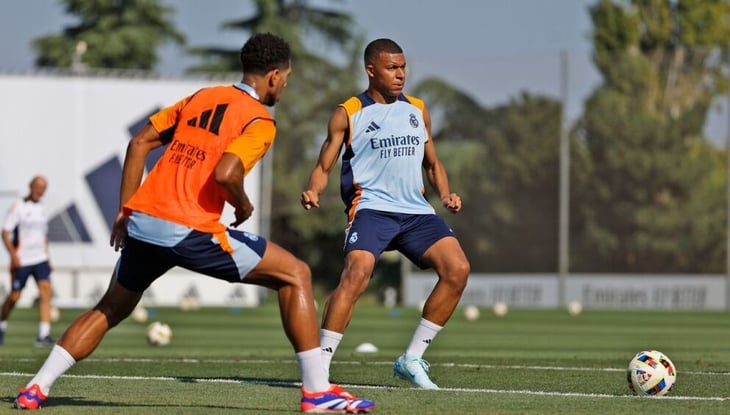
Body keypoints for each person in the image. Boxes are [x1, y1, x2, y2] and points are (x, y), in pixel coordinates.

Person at [14, 33, 374, 413]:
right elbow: (226, 172)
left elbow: (139, 143)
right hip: (188, 228)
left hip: (145, 223)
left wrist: (125, 210)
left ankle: (36, 388)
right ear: (272, 76)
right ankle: (317, 392)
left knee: (109, 309)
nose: (285, 84)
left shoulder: (202, 97)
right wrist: (243, 204)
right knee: (296, 274)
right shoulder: (259, 120)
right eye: (285, 77)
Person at [301, 38, 470, 390]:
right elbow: (324, 163)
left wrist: (446, 193)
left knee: (457, 269)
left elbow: (433, 163)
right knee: (357, 273)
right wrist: (314, 190)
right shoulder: (348, 112)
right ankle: (320, 368)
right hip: (372, 209)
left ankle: (411, 359)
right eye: (392, 68)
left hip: (416, 212)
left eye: (403, 67)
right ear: (371, 70)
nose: (400, 75)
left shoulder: (418, 109)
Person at [0, 175, 55, 347]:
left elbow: (43, 236)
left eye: (43, 187)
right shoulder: (19, 207)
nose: (40, 190)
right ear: (30, 186)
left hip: (41, 259)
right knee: (15, 296)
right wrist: (14, 256)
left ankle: (43, 334)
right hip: (22, 260)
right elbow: (5, 233)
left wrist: (48, 258)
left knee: (46, 291)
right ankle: (1, 324)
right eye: (38, 186)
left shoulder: (42, 209)